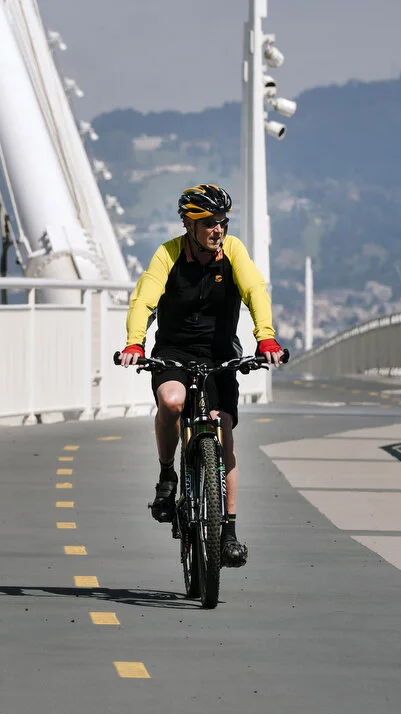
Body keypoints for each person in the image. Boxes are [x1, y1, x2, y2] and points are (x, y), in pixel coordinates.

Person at [117, 184, 284, 567]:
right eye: (208, 223)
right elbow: (144, 298)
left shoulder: (234, 252)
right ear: (188, 225)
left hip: (220, 354)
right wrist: (134, 343)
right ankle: (166, 477)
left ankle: (228, 532)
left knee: (223, 430)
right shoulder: (168, 254)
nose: (218, 229)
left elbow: (255, 290)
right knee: (172, 402)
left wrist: (267, 338)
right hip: (174, 351)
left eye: (222, 221)